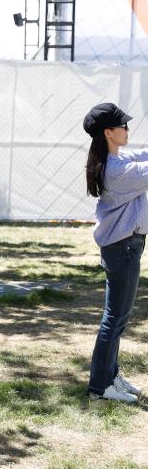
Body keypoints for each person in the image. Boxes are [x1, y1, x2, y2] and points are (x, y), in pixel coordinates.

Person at [83, 102, 146, 403]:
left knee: (119, 316)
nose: (127, 130)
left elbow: (143, 156)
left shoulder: (117, 158)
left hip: (125, 247)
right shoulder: (118, 170)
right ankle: (100, 386)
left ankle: (110, 375)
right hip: (123, 249)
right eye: (122, 126)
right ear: (108, 132)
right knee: (115, 317)